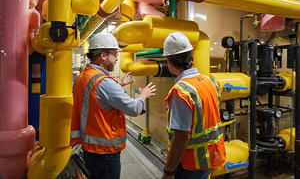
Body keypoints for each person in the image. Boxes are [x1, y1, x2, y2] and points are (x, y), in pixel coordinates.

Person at [70, 32, 156, 179]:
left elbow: (95, 97)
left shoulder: (84, 76)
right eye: (115, 54)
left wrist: (117, 85)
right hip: (105, 153)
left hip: (90, 147)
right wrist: (142, 96)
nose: (117, 59)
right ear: (103, 55)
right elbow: (134, 109)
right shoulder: (104, 83)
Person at [161, 32, 226, 179]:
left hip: (190, 164)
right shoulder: (211, 82)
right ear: (191, 58)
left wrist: (169, 170)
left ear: (170, 62)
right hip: (210, 158)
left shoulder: (180, 92)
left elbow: (182, 137)